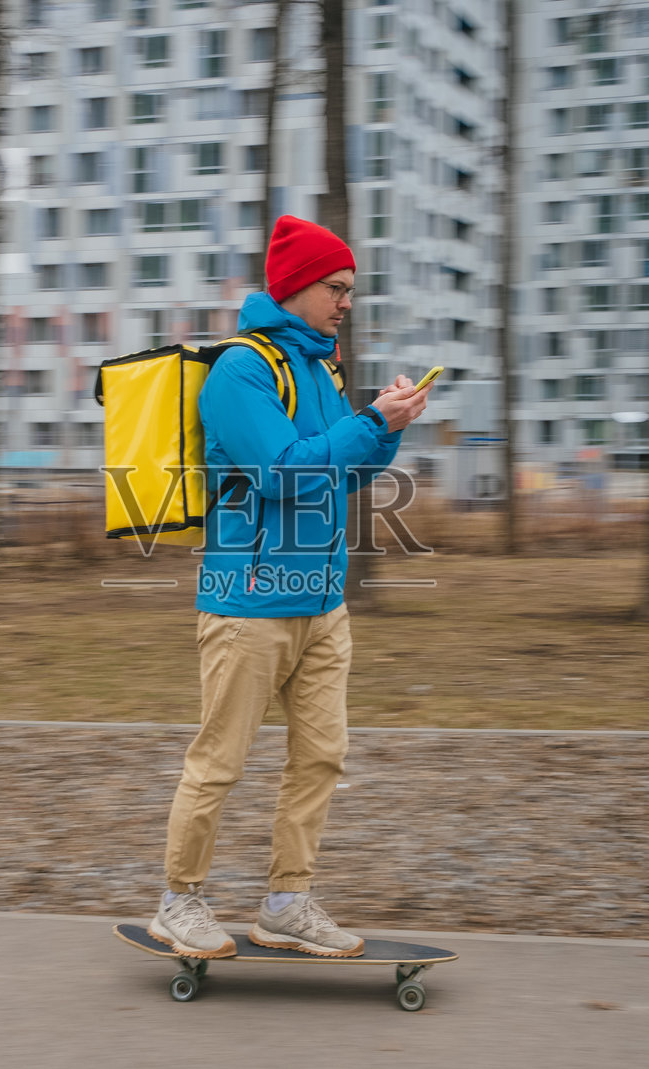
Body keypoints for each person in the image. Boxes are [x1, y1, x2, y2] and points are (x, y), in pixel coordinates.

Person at [148, 216, 431, 959]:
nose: (346, 302)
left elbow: (347, 470)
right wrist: (365, 421)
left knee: (321, 755)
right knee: (221, 760)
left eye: (350, 290)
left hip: (322, 603)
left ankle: (286, 901)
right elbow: (283, 472)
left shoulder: (320, 369)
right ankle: (180, 900)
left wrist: (388, 426)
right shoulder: (242, 370)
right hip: (249, 606)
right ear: (298, 286)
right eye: (336, 288)